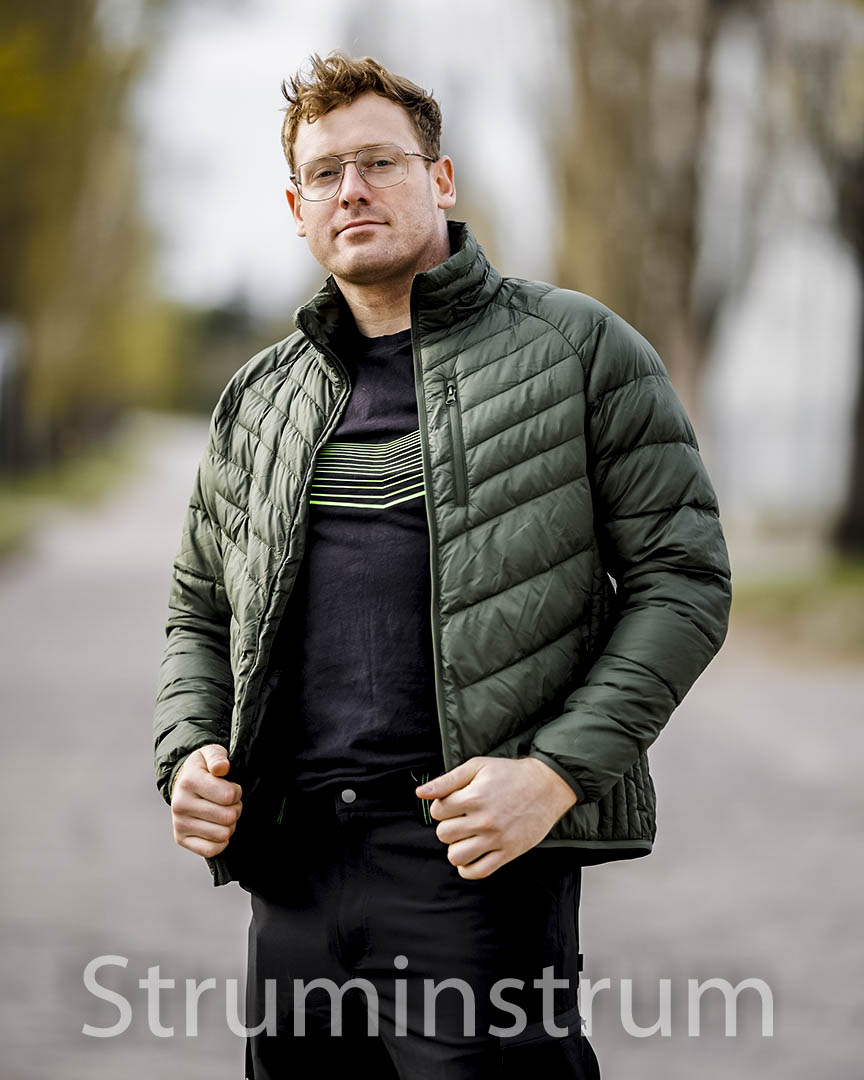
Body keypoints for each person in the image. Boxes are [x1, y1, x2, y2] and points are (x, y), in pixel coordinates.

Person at [153, 50, 732, 1079]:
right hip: (294, 871)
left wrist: (555, 774)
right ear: (296, 207)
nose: (353, 189)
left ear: (442, 179)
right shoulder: (259, 399)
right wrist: (188, 749)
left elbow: (683, 579)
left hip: (473, 864)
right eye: (325, 172)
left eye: (380, 161)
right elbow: (200, 609)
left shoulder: (576, 349)